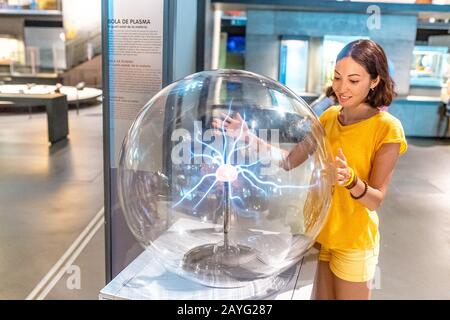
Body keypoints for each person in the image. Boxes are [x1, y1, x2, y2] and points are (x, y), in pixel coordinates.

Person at [213, 39, 407, 300]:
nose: (341, 88)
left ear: (375, 81)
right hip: (323, 235)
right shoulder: (328, 118)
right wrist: (248, 137)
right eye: (337, 78)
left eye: (353, 80)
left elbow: (375, 200)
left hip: (354, 243)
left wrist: (351, 181)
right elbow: (290, 160)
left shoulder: (387, 128)